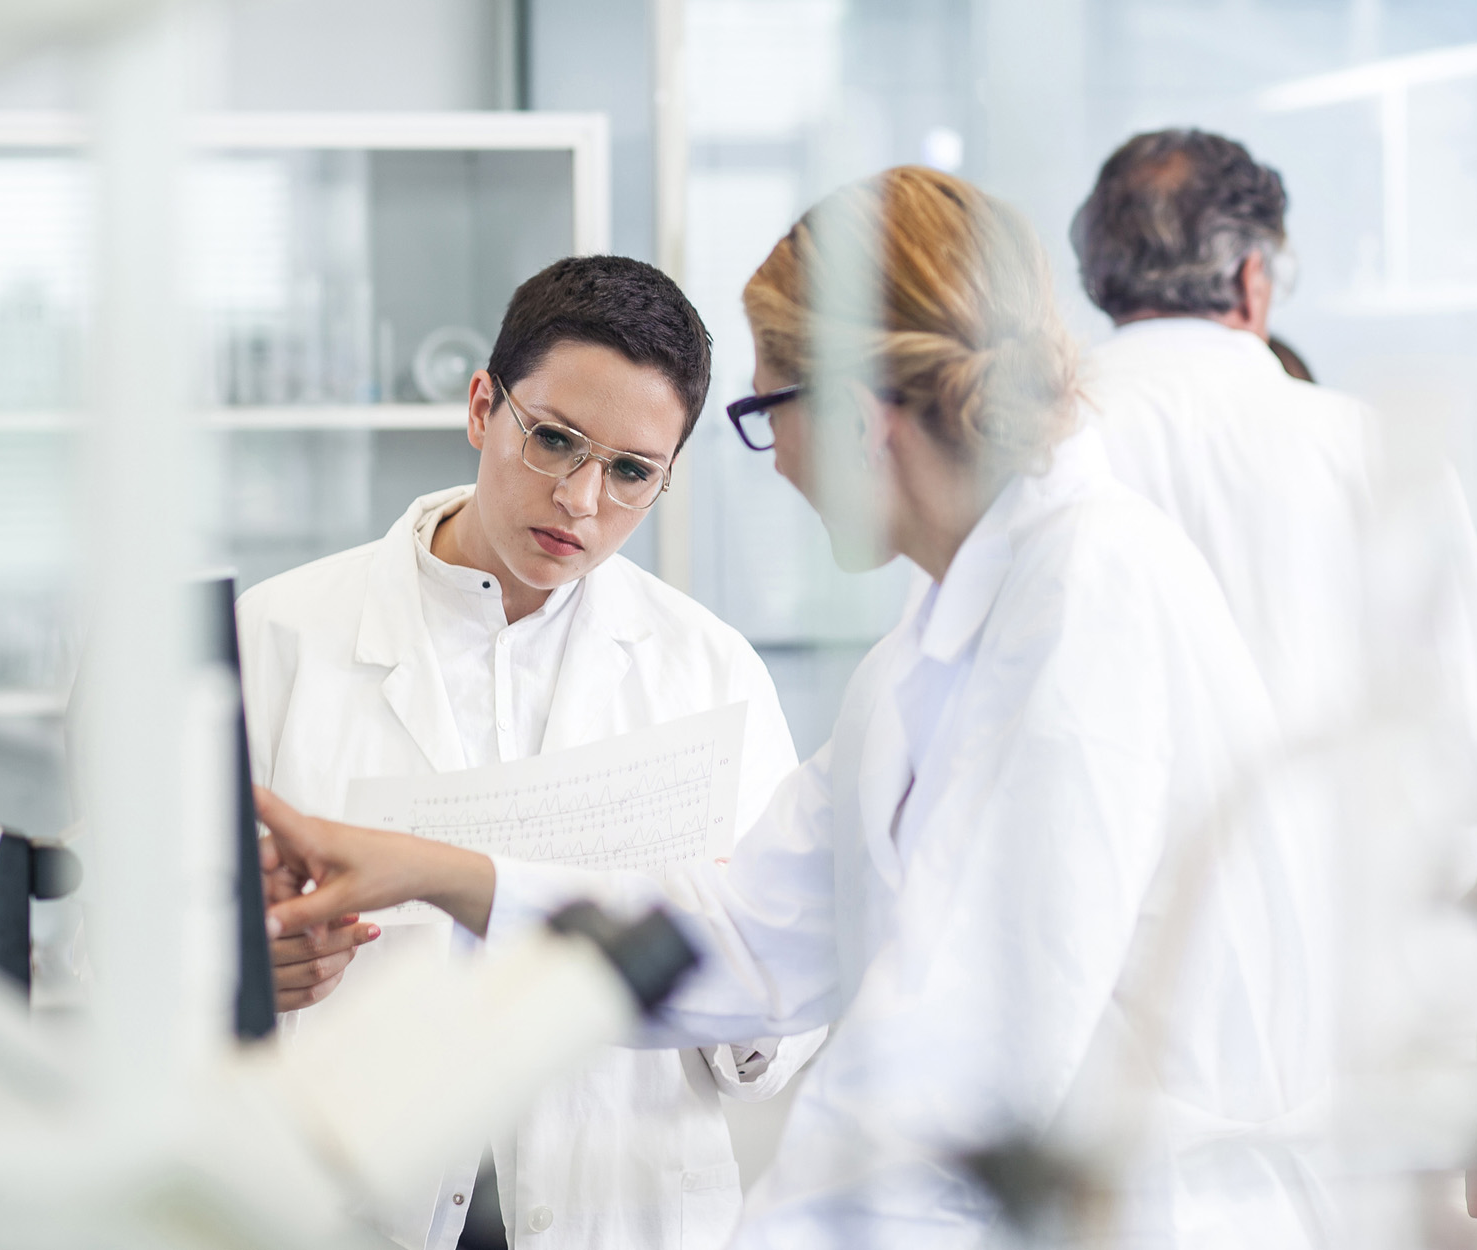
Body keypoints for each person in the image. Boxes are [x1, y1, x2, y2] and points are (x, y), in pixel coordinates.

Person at [257, 167, 1330, 1249]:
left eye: (767, 413)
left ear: (862, 420)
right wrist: (442, 872)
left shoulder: (1089, 602)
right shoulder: (938, 640)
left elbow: (955, 1068)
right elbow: (746, 930)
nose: (774, 467)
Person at [237, 255, 820, 1250]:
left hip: (625, 1203)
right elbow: (121, 939)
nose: (582, 500)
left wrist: (735, 944)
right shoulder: (277, 638)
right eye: (554, 440)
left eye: (632, 471)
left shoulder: (708, 671)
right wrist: (248, 961)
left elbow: (783, 1012)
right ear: (480, 407)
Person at [1069, 128, 1477, 868]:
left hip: (1108, 950)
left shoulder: (1031, 450)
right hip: (1332, 940)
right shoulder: (1369, 450)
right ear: (1254, 275)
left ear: (1101, 277)